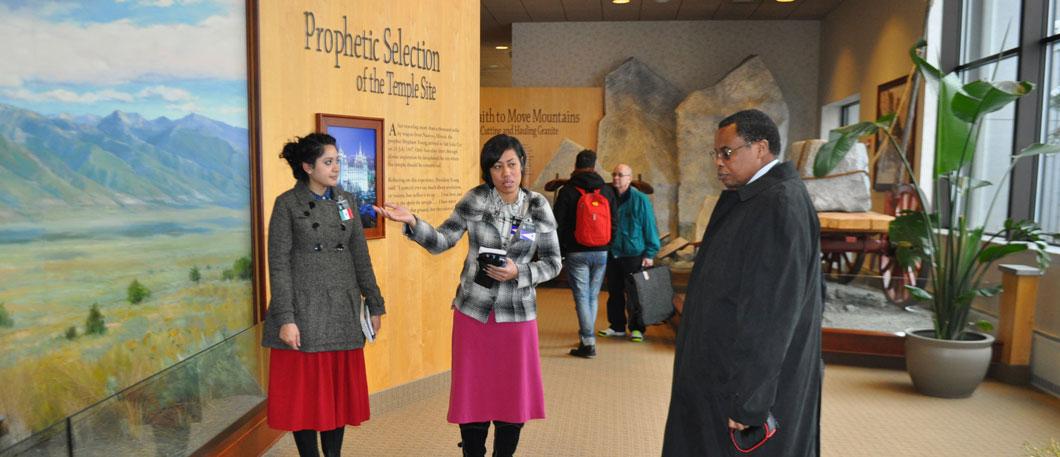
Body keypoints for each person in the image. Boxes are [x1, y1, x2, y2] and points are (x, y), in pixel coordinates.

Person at [374, 134, 561, 457]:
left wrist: (521, 272)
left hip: (517, 317)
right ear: (488, 171)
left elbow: (554, 262)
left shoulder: (537, 206)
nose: (506, 173)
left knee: (511, 397)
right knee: (473, 395)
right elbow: (443, 240)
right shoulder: (475, 200)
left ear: (522, 166)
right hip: (474, 313)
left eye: (512, 164)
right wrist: (414, 222)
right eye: (498, 166)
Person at [662, 109, 822, 457]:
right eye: (715, 154)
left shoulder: (778, 205)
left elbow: (772, 314)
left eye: (727, 152)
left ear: (761, 148)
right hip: (718, 372)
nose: (718, 162)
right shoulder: (750, 197)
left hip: (740, 385)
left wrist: (750, 400)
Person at [261, 133, 385, 457]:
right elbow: (278, 265)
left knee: (336, 397)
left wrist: (374, 302)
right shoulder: (287, 204)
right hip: (304, 310)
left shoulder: (347, 201)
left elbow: (360, 255)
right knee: (305, 398)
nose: (335, 168)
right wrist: (286, 319)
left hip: (342, 309)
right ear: (307, 166)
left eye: (337, 161)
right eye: (328, 162)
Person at [552, 149, 618, 358]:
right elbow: (615, 222)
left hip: (576, 251)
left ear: (575, 165)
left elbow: (557, 224)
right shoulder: (607, 191)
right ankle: (586, 336)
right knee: (592, 295)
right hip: (601, 252)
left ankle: (588, 342)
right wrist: (608, 245)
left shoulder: (568, 191)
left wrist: (560, 251)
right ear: (594, 166)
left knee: (581, 296)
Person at [597, 163, 660, 343]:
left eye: (621, 175)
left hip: (634, 253)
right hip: (613, 252)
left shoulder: (641, 199)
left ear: (629, 178)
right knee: (614, 292)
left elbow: (650, 226)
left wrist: (650, 253)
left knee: (635, 293)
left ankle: (637, 328)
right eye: (614, 174)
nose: (616, 178)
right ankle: (616, 326)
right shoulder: (607, 197)